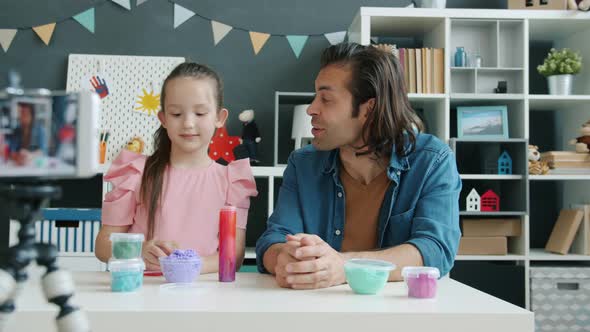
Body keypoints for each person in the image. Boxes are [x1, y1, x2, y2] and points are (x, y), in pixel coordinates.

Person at [256, 42, 461, 289]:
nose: (311, 108)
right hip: (318, 310)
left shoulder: (432, 161)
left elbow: (435, 250)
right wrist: (284, 258)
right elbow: (273, 239)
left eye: (326, 99)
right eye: (315, 97)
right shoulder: (303, 165)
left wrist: (343, 266)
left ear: (369, 109)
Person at [95, 63, 258, 272]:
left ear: (219, 118)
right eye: (176, 114)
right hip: (143, 295)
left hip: (206, 297)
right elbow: (103, 245)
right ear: (163, 118)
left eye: (200, 113)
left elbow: (233, 256)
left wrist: (186, 265)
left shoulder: (232, 181)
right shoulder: (136, 173)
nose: (188, 123)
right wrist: (138, 250)